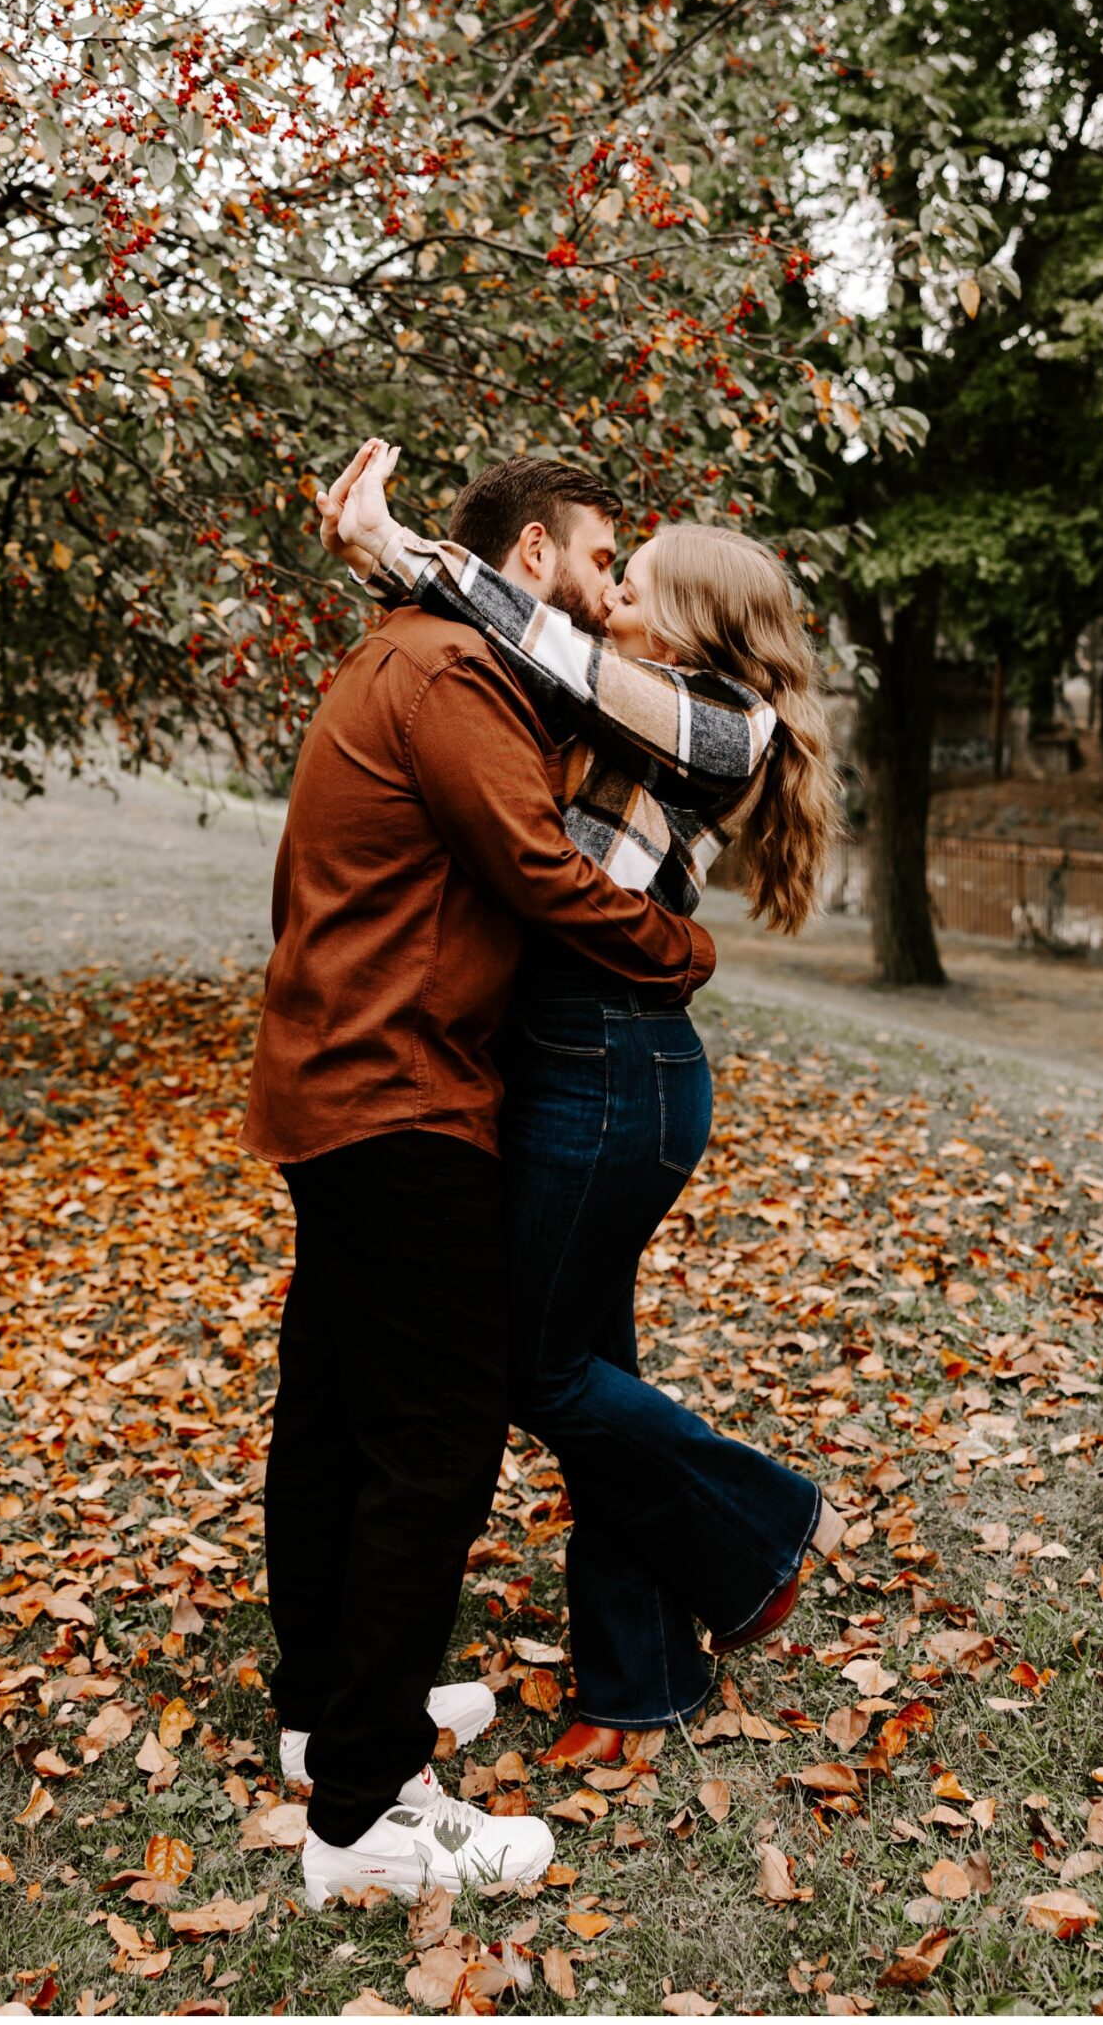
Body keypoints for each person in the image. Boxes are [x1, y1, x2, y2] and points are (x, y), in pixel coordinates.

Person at [318, 439, 844, 1772]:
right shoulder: (624, 697)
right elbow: (509, 676)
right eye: (615, 571)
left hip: (617, 1063)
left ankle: (757, 1532)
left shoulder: (724, 719)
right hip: (576, 1058)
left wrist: (396, 548)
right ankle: (641, 1674)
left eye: (639, 581)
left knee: (532, 1368)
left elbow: (542, 646)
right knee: (589, 1358)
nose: (613, 597)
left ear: (698, 623)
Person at [243, 454, 715, 1911]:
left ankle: (329, 1716)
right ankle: (371, 1813)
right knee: (434, 1439)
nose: (610, 586)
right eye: (598, 559)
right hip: (402, 1095)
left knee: (333, 1413)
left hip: (344, 1080)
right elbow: (538, 872)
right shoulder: (456, 677)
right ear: (536, 550)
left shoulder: (418, 651)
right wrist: (684, 954)